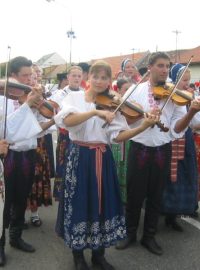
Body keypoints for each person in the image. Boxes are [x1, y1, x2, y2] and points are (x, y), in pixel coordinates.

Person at [54, 60, 160, 270]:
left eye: (105, 78)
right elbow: (68, 122)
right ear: (88, 78)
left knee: (103, 205)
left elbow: (120, 136)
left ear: (109, 80)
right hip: (80, 157)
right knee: (80, 204)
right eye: (96, 76)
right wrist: (95, 112)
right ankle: (78, 256)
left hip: (103, 157)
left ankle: (98, 255)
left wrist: (143, 127)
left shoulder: (115, 104)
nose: (100, 81)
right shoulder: (74, 97)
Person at [115, 52, 200, 256]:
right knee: (135, 195)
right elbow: (123, 119)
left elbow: (177, 129)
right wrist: (141, 119)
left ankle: (149, 236)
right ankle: (129, 233)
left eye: (167, 66)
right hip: (139, 148)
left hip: (163, 149)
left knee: (156, 196)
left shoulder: (175, 96)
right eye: (160, 65)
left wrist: (191, 112)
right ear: (150, 67)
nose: (164, 69)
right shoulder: (135, 90)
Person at [0, 56, 55, 266]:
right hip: (9, 155)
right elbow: (8, 131)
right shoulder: (2, 98)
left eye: (31, 75)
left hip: (29, 153)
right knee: (4, 203)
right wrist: (27, 107)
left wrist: (52, 118)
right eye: (24, 76)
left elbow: (39, 127)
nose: (29, 80)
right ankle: (1, 243)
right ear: (12, 76)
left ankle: (15, 238)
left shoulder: (29, 97)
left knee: (22, 198)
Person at [162, 63, 199, 231]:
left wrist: (194, 108)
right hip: (169, 142)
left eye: (188, 80)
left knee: (184, 176)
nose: (187, 83)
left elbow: (196, 123)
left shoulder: (190, 97)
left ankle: (174, 216)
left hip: (186, 141)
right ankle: (163, 212)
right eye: (184, 80)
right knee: (168, 179)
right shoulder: (168, 98)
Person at [51, 66, 83, 201]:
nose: (76, 78)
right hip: (65, 135)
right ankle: (62, 194)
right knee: (64, 164)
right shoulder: (60, 94)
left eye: (79, 76)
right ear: (68, 77)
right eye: (73, 75)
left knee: (78, 165)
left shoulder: (85, 93)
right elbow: (53, 113)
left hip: (80, 135)